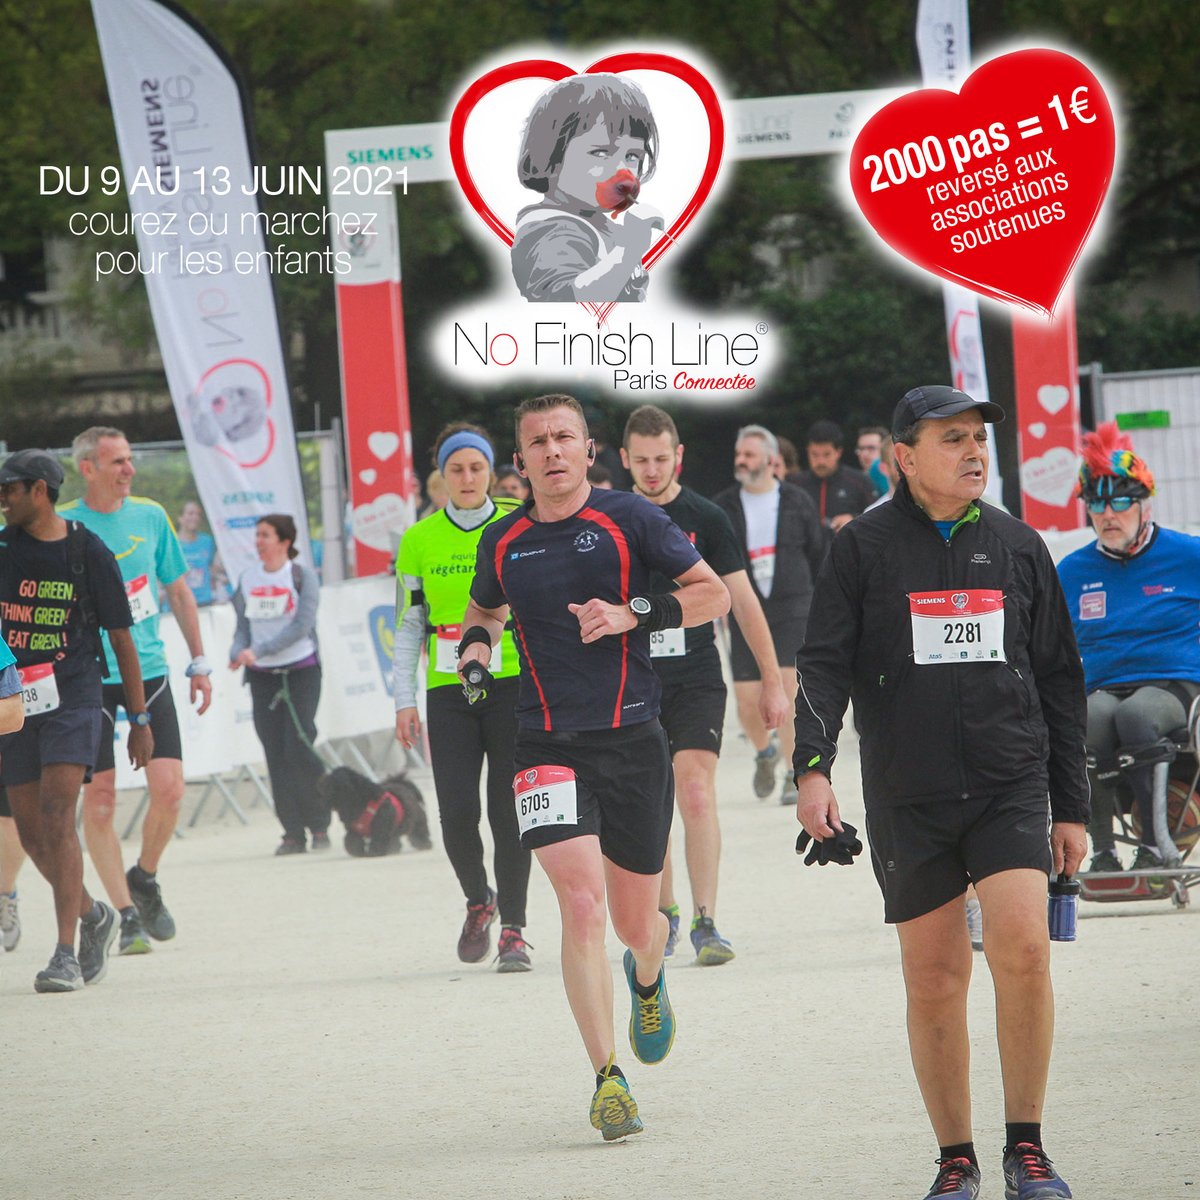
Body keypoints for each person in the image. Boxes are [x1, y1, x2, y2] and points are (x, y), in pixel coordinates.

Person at [792, 385, 1088, 1200]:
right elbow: (822, 662)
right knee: (934, 977)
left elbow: (1061, 677)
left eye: (979, 440)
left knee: (1024, 950)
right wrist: (811, 768)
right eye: (952, 438)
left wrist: (1073, 805)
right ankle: (955, 1158)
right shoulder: (861, 549)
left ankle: (1026, 1149)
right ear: (904, 457)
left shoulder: (1021, 545)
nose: (973, 452)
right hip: (907, 792)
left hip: (1010, 781)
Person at [458, 393, 728, 1140]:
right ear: (521, 461)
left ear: (587, 450)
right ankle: (607, 1078)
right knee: (581, 905)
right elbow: (483, 612)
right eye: (538, 441)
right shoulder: (504, 538)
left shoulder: (630, 519)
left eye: (564, 438)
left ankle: (647, 976)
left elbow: (711, 594)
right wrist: (475, 651)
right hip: (543, 743)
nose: (551, 452)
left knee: (640, 926)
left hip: (634, 741)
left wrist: (633, 612)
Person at [621, 405, 789, 964]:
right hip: (633, 677)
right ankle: (664, 912)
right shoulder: (609, 520)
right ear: (624, 460)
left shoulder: (707, 517)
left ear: (679, 457)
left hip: (695, 675)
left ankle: (706, 920)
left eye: (661, 459)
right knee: (653, 801)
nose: (651, 470)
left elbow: (743, 602)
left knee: (694, 790)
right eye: (641, 460)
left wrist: (771, 680)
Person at [0, 448, 153, 992]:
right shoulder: (2, 549)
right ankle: (93, 915)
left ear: (39, 490)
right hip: (15, 705)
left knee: (59, 814)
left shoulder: (89, 553)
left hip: (74, 697)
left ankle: (64, 953)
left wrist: (139, 716)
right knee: (34, 834)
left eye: (9, 490)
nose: (2, 500)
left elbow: (121, 640)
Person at [56, 427, 213, 955]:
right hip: (87, 678)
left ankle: (144, 876)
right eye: (118, 462)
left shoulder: (150, 516)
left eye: (130, 459)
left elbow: (178, 590)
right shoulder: (65, 525)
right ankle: (125, 915)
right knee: (99, 801)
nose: (130, 470)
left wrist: (199, 660)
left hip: (148, 670)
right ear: (88, 469)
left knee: (169, 789)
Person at [393, 424, 532, 971]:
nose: (468, 478)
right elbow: (408, 625)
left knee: (509, 812)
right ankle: (481, 900)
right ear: (441, 476)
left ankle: (515, 931)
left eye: (477, 468)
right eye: (457, 469)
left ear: (492, 471)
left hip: (514, 683)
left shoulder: (518, 523)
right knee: (455, 811)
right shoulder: (419, 539)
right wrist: (403, 699)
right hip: (448, 687)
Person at [1056, 422, 1200, 879]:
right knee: (1086, 719)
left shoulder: (1187, 554)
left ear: (1144, 505)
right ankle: (1101, 852)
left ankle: (1158, 848)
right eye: (1096, 504)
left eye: (1120, 502)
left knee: (1137, 715)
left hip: (1174, 683)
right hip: (1104, 685)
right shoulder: (1072, 571)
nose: (1107, 513)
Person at [713, 424, 824, 803]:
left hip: (792, 605)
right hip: (745, 610)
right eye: (738, 454)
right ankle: (765, 752)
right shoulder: (724, 506)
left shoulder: (797, 501)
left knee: (789, 690)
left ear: (770, 459)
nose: (740, 461)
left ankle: (795, 772)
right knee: (746, 701)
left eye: (748, 454)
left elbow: (817, 553)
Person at [511, 74, 664, 303]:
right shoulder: (551, 229)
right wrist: (628, 252)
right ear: (550, 158)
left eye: (632, 156)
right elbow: (567, 300)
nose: (621, 170)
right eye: (600, 153)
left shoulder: (607, 228)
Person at [229, 514, 328, 855]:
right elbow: (242, 624)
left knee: (298, 747)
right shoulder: (248, 578)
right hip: (262, 677)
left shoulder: (301, 576)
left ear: (285, 542)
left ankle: (319, 824)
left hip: (301, 671)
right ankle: (292, 832)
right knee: (275, 754)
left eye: (265, 535)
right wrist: (236, 650)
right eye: (257, 535)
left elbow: (301, 626)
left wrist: (258, 650)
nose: (259, 541)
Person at [795, 419, 877, 536]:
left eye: (827, 454)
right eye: (814, 454)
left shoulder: (859, 482)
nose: (820, 461)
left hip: (847, 550)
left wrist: (854, 519)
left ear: (838, 452)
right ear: (807, 451)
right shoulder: (796, 484)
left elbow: (878, 517)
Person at [177, 499, 227, 606]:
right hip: (181, 604)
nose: (195, 517)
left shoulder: (207, 541)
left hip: (205, 601)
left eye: (198, 514)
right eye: (190, 513)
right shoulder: (172, 543)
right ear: (180, 518)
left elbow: (213, 569)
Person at [856, 424, 891, 497]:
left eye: (871, 448)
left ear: (885, 450)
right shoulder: (853, 479)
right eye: (861, 449)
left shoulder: (891, 476)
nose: (865, 453)